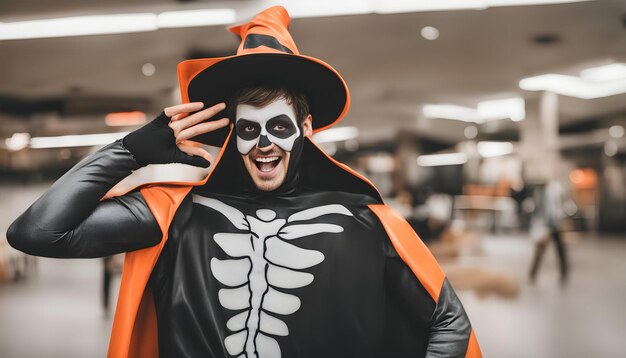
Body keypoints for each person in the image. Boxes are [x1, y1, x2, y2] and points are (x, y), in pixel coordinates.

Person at [8, 6, 481, 358]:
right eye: (249, 128)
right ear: (233, 133)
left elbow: (448, 322)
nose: (263, 145)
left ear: (307, 130)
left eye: (279, 126)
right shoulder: (174, 215)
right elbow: (37, 233)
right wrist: (128, 153)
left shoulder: (366, 221)